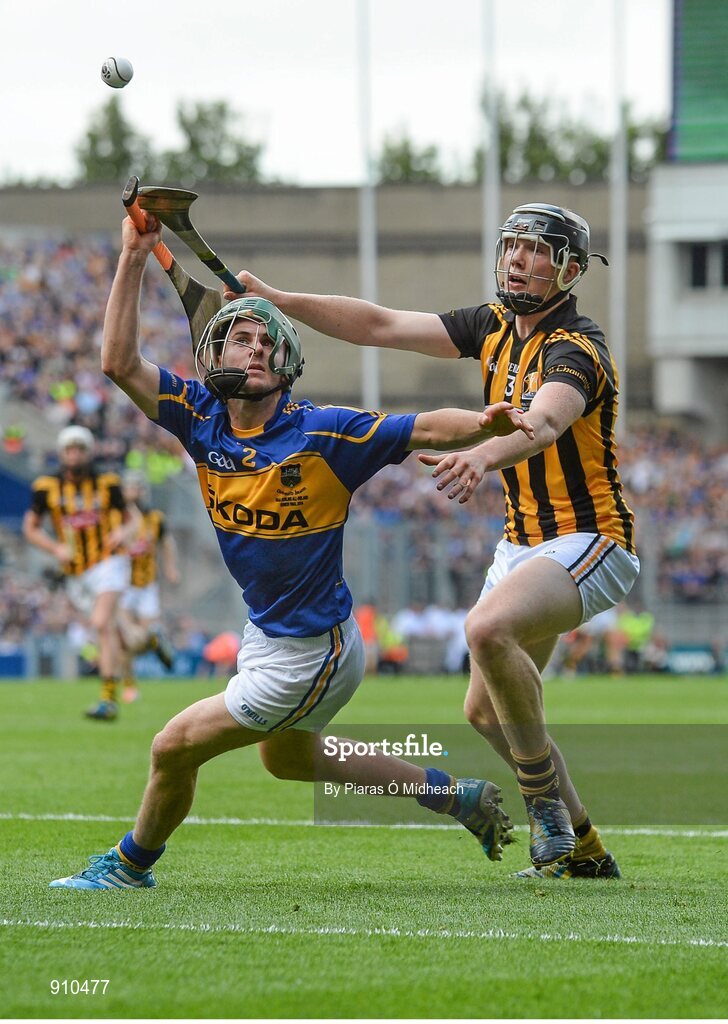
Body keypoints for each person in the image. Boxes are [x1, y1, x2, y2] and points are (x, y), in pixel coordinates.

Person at [48, 212, 536, 890]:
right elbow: (117, 363)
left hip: (313, 649)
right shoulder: (198, 418)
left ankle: (130, 865)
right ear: (213, 357)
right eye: (238, 339)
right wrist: (133, 252)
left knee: (172, 747)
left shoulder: (325, 435)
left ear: (286, 364)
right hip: (270, 633)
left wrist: (483, 423)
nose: (250, 350)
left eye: (262, 342)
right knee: (288, 760)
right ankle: (455, 796)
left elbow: (422, 425)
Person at [229, 202, 640, 880]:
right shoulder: (493, 325)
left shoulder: (577, 349)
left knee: (485, 629)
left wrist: (482, 455)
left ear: (569, 268)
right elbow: (380, 324)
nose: (516, 260)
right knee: (483, 712)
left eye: (536, 250)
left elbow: (542, 422)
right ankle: (586, 852)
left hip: (591, 539)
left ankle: (543, 806)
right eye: (512, 246)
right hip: (523, 545)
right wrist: (277, 301)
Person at [23, 425, 138, 721]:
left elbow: (132, 519)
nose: (74, 455)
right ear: (62, 453)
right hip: (75, 571)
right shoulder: (46, 487)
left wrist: (122, 533)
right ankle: (147, 644)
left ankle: (108, 698)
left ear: (89, 453)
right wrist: (54, 548)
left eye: (80, 449)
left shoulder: (107, 483)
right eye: (69, 450)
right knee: (109, 631)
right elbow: (30, 528)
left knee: (101, 623)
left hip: (109, 561)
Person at [118, 470, 179, 703]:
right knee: (126, 639)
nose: (133, 491)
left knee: (140, 638)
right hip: (123, 586)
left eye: (137, 487)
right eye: (128, 487)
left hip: (147, 586)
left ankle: (153, 641)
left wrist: (171, 568)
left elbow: (167, 541)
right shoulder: (116, 517)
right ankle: (129, 685)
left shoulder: (155, 517)